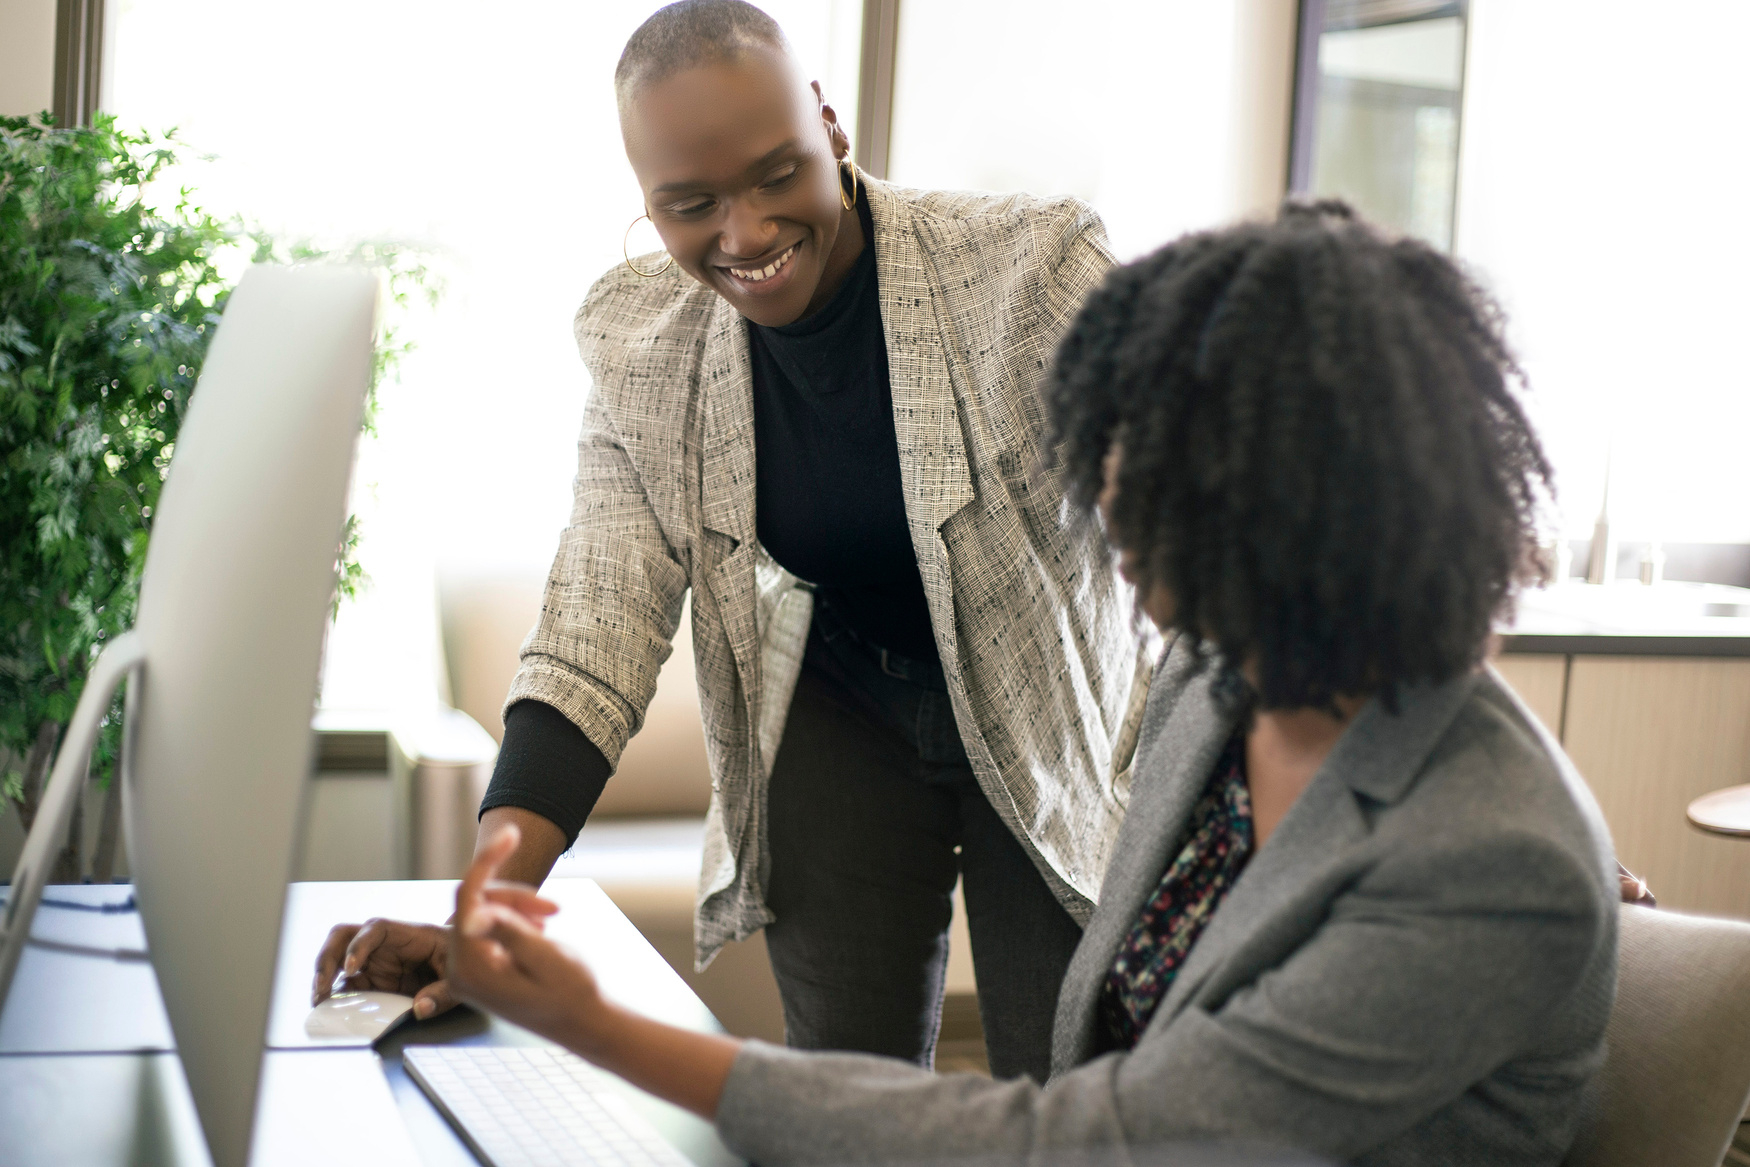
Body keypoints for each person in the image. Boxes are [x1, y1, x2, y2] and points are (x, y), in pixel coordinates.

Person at [440, 201, 1622, 1166]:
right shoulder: (1221, 687)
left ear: (1296, 514)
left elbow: (1098, 1137)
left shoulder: (1488, 858)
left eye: (1145, 484)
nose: (1104, 513)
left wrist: (598, 1030)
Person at [312, 0, 1150, 1082]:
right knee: (843, 1107)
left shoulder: (1029, 267)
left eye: (775, 175)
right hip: (839, 715)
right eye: (689, 204)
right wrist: (487, 910)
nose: (745, 234)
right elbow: (593, 626)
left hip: (1047, 711)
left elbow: (1189, 509)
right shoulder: (639, 338)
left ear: (830, 129)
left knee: (1076, 1089)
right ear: (646, 206)